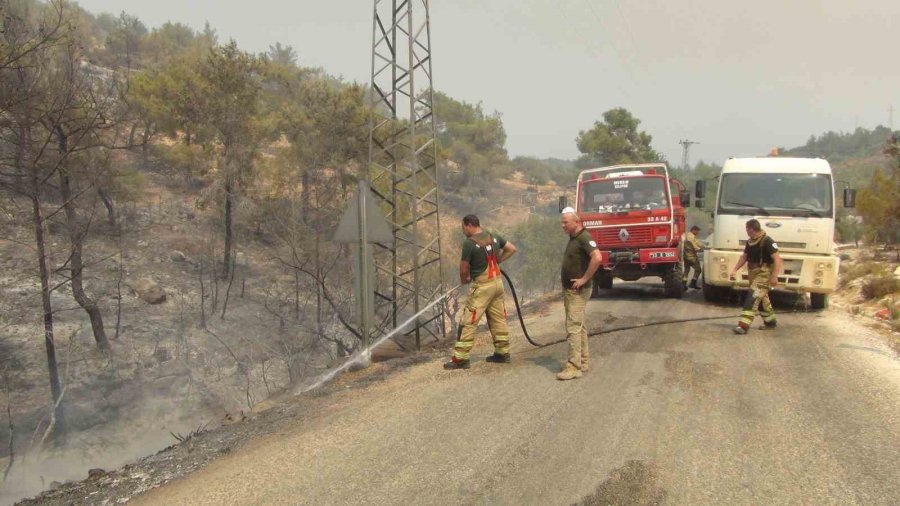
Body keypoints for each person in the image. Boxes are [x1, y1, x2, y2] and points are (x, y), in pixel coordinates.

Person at [444, 214, 517, 370]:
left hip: (482, 288)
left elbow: (463, 268)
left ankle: (461, 359)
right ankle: (503, 353)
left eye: (464, 228)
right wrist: (498, 261)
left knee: (468, 321)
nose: (463, 231)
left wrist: (465, 279)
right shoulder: (494, 236)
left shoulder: (469, 244)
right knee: (498, 318)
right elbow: (512, 248)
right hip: (497, 284)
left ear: (469, 225)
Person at [557, 207, 603, 380]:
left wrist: (583, 279)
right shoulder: (574, 238)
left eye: (565, 222)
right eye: (562, 222)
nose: (563, 226)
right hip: (571, 291)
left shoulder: (584, 237)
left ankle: (573, 367)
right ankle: (583, 361)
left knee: (573, 328)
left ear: (577, 222)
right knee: (580, 325)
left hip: (578, 291)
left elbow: (597, 258)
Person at [728, 219, 782, 334]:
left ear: (751, 229)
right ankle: (770, 322)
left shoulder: (767, 241)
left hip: (763, 275)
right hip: (753, 274)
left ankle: (743, 326)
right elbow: (744, 257)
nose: (746, 231)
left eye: (747, 229)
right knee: (762, 299)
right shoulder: (750, 242)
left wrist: (774, 276)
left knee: (752, 297)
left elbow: (777, 259)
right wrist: (735, 270)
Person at [682, 225, 704, 289]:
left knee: (686, 270)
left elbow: (698, 243)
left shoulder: (687, 235)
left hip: (686, 256)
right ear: (694, 230)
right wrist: (701, 249)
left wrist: (702, 246)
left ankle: (683, 285)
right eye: (697, 231)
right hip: (692, 257)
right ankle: (693, 283)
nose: (698, 233)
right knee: (698, 270)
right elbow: (695, 246)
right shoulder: (691, 237)